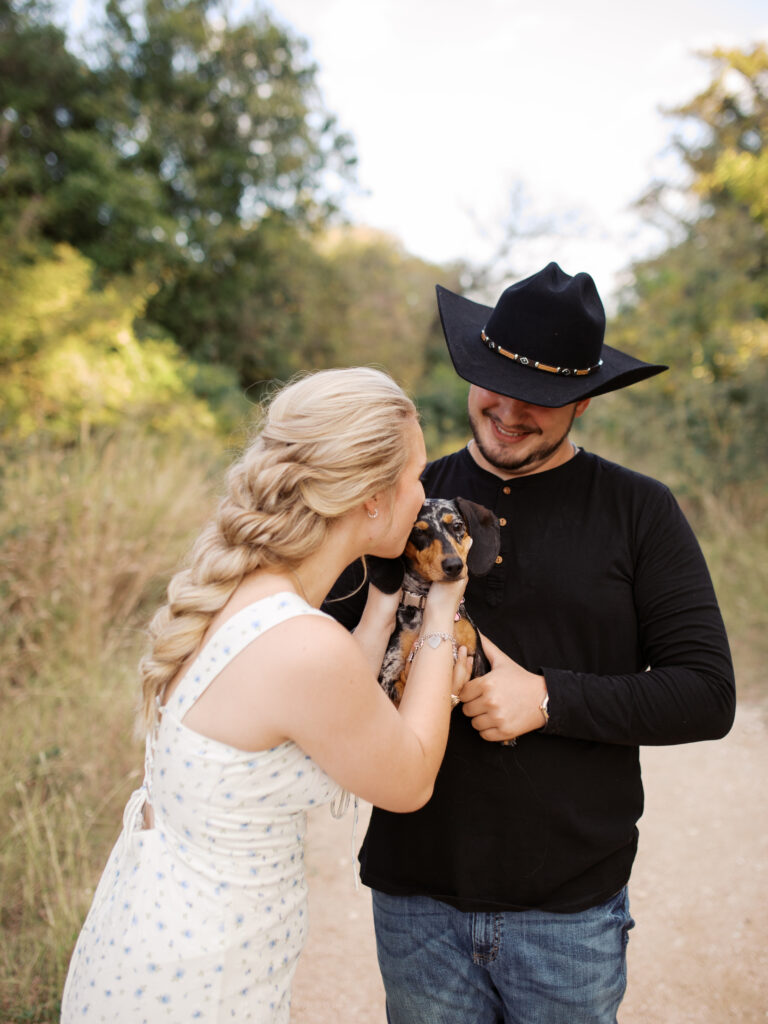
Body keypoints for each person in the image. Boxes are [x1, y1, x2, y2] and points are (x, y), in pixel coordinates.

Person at [327, 263, 736, 1023]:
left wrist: (547, 697)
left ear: (582, 398)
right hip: (416, 897)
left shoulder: (641, 511)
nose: (510, 412)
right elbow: (323, 652)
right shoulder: (398, 502)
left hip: (570, 907)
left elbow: (707, 695)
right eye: (495, 383)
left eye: (542, 398)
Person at [60, 367, 471, 1023]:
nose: (424, 493)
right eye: (416, 475)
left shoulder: (241, 591)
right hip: (203, 984)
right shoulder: (304, 647)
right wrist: (444, 605)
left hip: (147, 945)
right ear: (370, 498)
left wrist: (380, 612)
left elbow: (322, 699)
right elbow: (411, 776)